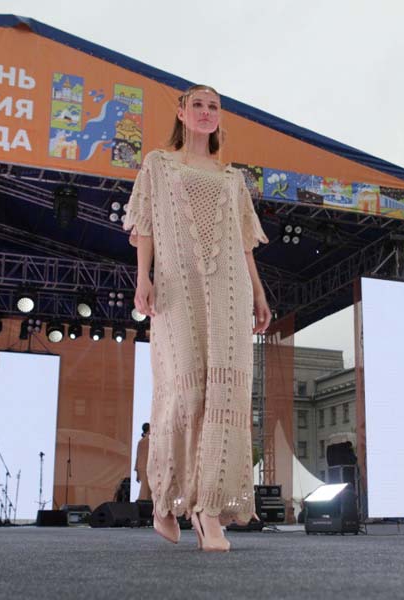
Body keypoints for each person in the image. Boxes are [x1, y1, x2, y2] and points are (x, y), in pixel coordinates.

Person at [123, 84, 271, 552]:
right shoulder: (158, 164)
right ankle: (167, 499)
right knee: (185, 390)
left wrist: (259, 292)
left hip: (230, 290)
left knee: (226, 393)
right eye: (198, 105)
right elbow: (145, 225)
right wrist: (143, 277)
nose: (207, 112)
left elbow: (244, 243)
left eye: (214, 106)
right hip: (177, 287)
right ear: (182, 113)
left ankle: (208, 510)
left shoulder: (233, 178)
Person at [135, 423, 151, 501]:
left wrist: (137, 471)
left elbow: (137, 457)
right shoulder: (149, 441)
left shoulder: (141, 441)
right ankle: (142, 503)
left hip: (142, 467)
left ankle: (143, 502)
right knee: (145, 490)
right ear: (149, 429)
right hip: (147, 467)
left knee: (146, 489)